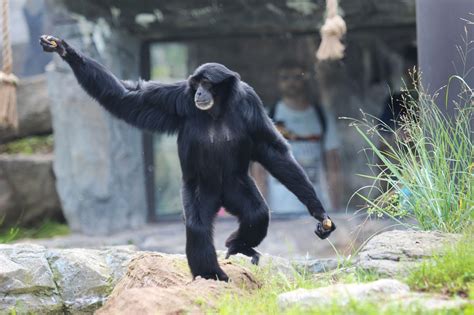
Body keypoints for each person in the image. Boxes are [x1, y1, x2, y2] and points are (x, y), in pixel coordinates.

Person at [253, 60, 342, 214]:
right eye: (285, 78)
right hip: (279, 209)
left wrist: (336, 209)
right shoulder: (267, 117)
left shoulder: (322, 117)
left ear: (307, 80)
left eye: (297, 77)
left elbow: (333, 165)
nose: (291, 83)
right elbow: (259, 169)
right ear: (277, 82)